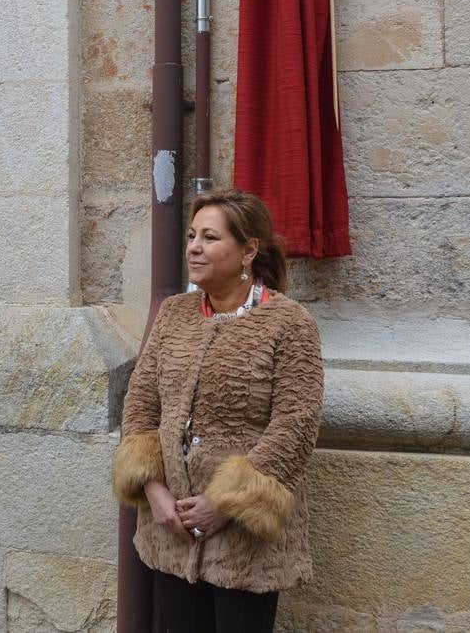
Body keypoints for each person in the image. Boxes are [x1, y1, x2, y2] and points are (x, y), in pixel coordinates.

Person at [113, 189, 323, 632]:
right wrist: (153, 492)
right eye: (192, 235)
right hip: (170, 523)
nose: (193, 246)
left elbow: (296, 424)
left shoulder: (290, 322)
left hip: (243, 536)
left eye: (210, 237)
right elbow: (140, 404)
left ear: (248, 250)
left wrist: (226, 503)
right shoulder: (174, 313)